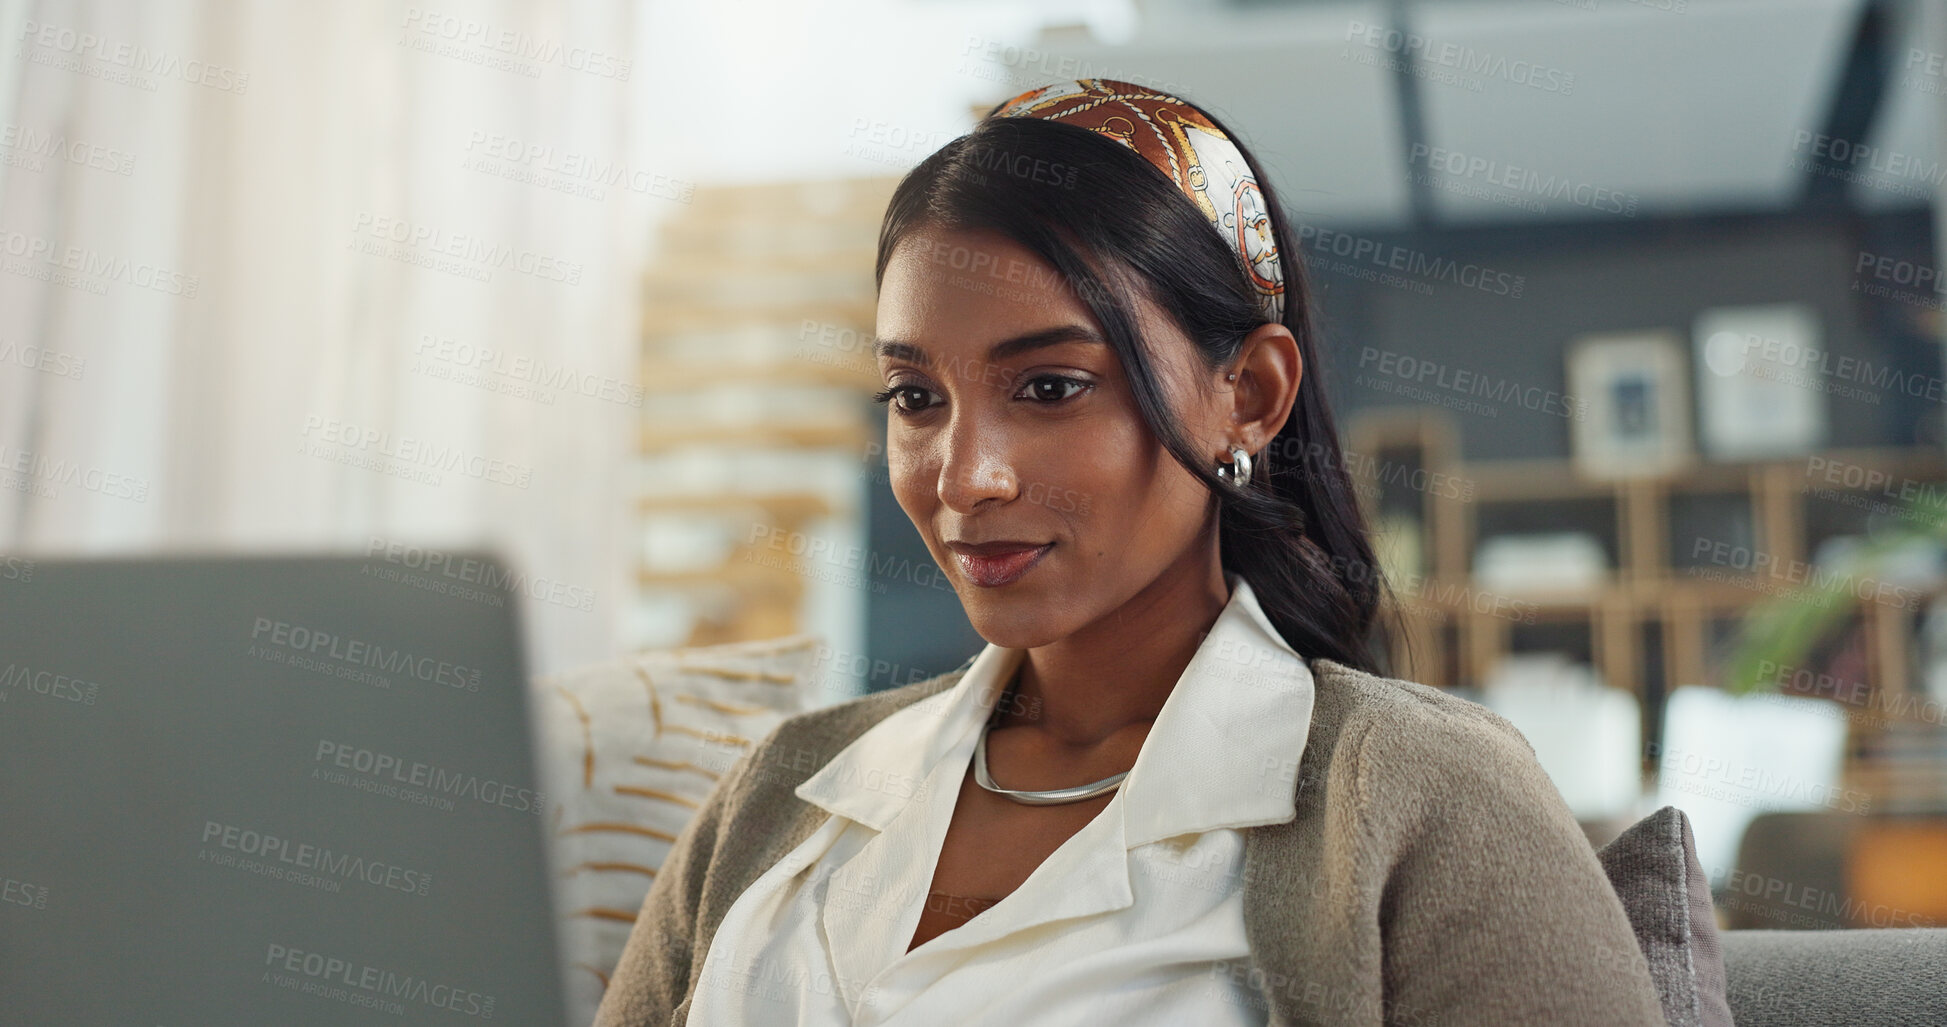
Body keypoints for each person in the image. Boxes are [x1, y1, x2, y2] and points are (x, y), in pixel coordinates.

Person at [595, 78, 1665, 1026]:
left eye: (1051, 388)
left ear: (1247, 396)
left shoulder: (1425, 795)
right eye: (917, 397)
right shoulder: (780, 791)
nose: (967, 476)